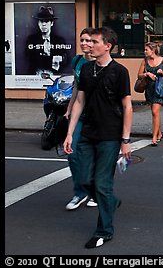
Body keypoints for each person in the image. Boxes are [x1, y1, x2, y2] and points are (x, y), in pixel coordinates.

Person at [63, 26, 133, 249]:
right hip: (87, 134)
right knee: (83, 180)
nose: (89, 45)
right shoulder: (85, 70)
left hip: (110, 137)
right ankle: (111, 202)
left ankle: (104, 230)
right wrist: (70, 133)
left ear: (107, 46)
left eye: (94, 42)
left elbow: (127, 106)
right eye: (88, 41)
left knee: (102, 185)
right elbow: (80, 101)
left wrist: (126, 140)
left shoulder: (119, 71)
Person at [63, 27, 98, 210]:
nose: (84, 43)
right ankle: (80, 192)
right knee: (72, 153)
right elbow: (76, 88)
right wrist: (69, 109)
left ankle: (94, 192)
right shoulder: (77, 61)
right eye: (82, 40)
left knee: (94, 157)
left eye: (88, 40)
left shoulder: (102, 63)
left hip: (98, 116)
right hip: (79, 114)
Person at [137, 42, 163, 146]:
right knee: (154, 113)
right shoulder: (144, 61)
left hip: (160, 89)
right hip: (149, 88)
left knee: (155, 111)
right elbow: (139, 76)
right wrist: (147, 74)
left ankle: (154, 137)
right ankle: (159, 133)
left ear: (152, 51)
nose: (144, 51)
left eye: (146, 49)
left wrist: (162, 73)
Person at [24, 5, 73, 76]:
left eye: (46, 21)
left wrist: (59, 60)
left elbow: (66, 60)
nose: (43, 24)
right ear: (38, 23)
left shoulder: (59, 40)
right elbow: (29, 59)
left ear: (52, 23)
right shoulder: (32, 39)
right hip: (35, 76)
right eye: (41, 21)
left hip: (55, 75)